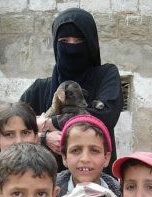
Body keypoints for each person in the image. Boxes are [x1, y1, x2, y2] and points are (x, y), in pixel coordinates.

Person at [20, 7, 123, 174]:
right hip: (47, 186)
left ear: (90, 43)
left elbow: (105, 116)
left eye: (79, 40)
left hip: (97, 184)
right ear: (55, 44)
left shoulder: (105, 75)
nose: (72, 48)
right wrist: (44, 138)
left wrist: (49, 123)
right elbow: (11, 130)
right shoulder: (40, 89)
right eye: (64, 41)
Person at [47, 114, 121, 197]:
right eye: (76, 150)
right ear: (64, 157)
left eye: (94, 151)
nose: (85, 159)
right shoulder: (50, 191)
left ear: (106, 158)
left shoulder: (118, 194)